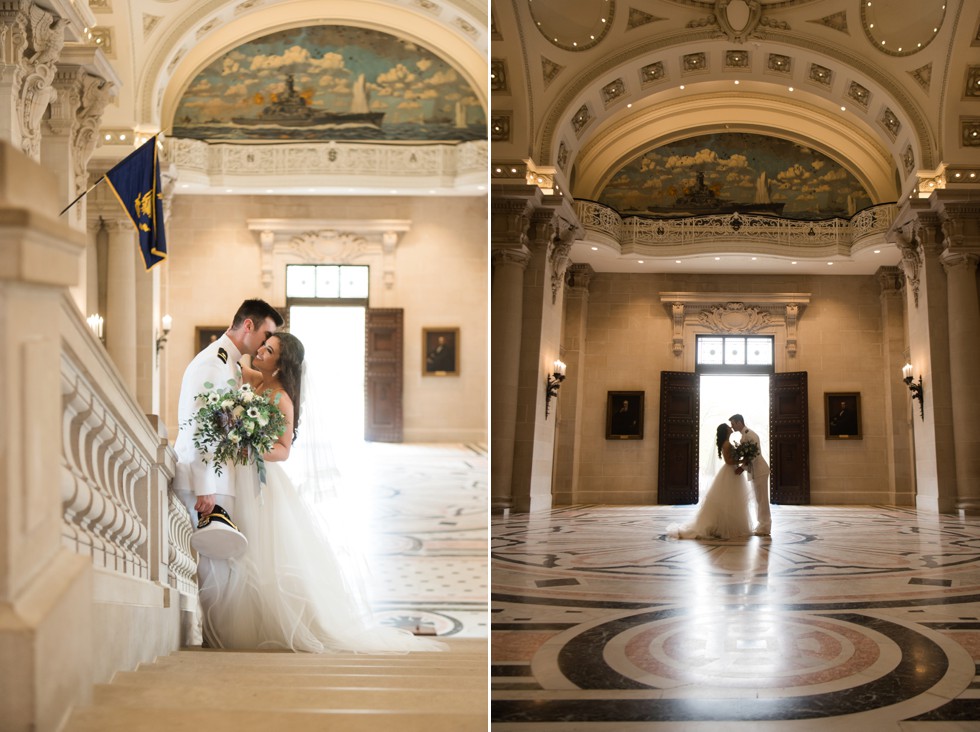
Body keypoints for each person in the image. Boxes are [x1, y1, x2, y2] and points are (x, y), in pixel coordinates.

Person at [203, 331, 445, 653]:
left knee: (260, 551)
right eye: (264, 344)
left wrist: (248, 446)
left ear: (280, 363)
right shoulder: (258, 382)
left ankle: (272, 625)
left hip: (260, 480)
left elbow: (282, 450)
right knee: (242, 546)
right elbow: (238, 364)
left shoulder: (281, 399)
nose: (260, 350)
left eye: (269, 349)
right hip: (241, 477)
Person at [173, 298, 283, 645]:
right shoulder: (212, 364)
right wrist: (206, 485)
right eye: (266, 333)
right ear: (248, 326)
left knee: (223, 564)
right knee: (215, 568)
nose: (266, 342)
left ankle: (219, 640)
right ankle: (217, 644)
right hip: (209, 484)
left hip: (221, 479)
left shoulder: (230, 363)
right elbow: (198, 426)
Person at [667, 423, 752, 539]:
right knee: (729, 500)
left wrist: (740, 459)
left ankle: (727, 526)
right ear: (725, 431)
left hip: (733, 472)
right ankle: (723, 527)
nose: (731, 428)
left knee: (732, 500)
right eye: (728, 427)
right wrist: (743, 459)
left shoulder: (728, 443)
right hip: (730, 472)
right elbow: (728, 461)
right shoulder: (727, 444)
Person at [730, 413, 771, 536]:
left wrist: (742, 468)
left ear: (739, 422)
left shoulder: (750, 434)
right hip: (754, 472)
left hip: (760, 470)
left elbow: (754, 455)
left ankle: (765, 527)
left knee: (762, 500)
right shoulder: (744, 436)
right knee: (758, 500)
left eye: (733, 424)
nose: (732, 427)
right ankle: (761, 525)